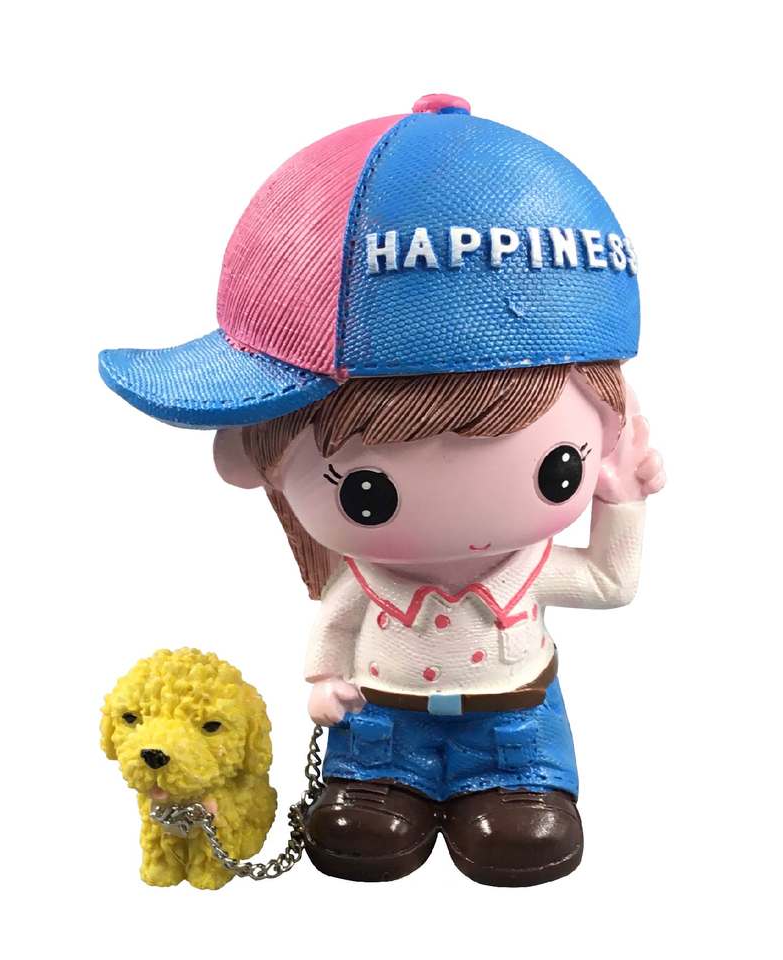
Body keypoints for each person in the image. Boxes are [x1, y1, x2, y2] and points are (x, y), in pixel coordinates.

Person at [99, 93, 664, 886]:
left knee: (521, 823)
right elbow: (334, 630)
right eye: (367, 492)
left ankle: (513, 791)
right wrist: (324, 682)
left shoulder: (526, 574)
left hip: (515, 727)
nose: (460, 525)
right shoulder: (365, 584)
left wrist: (621, 500)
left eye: (557, 470)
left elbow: (610, 582)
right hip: (380, 727)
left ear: (610, 429)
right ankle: (379, 791)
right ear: (249, 455)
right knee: (360, 822)